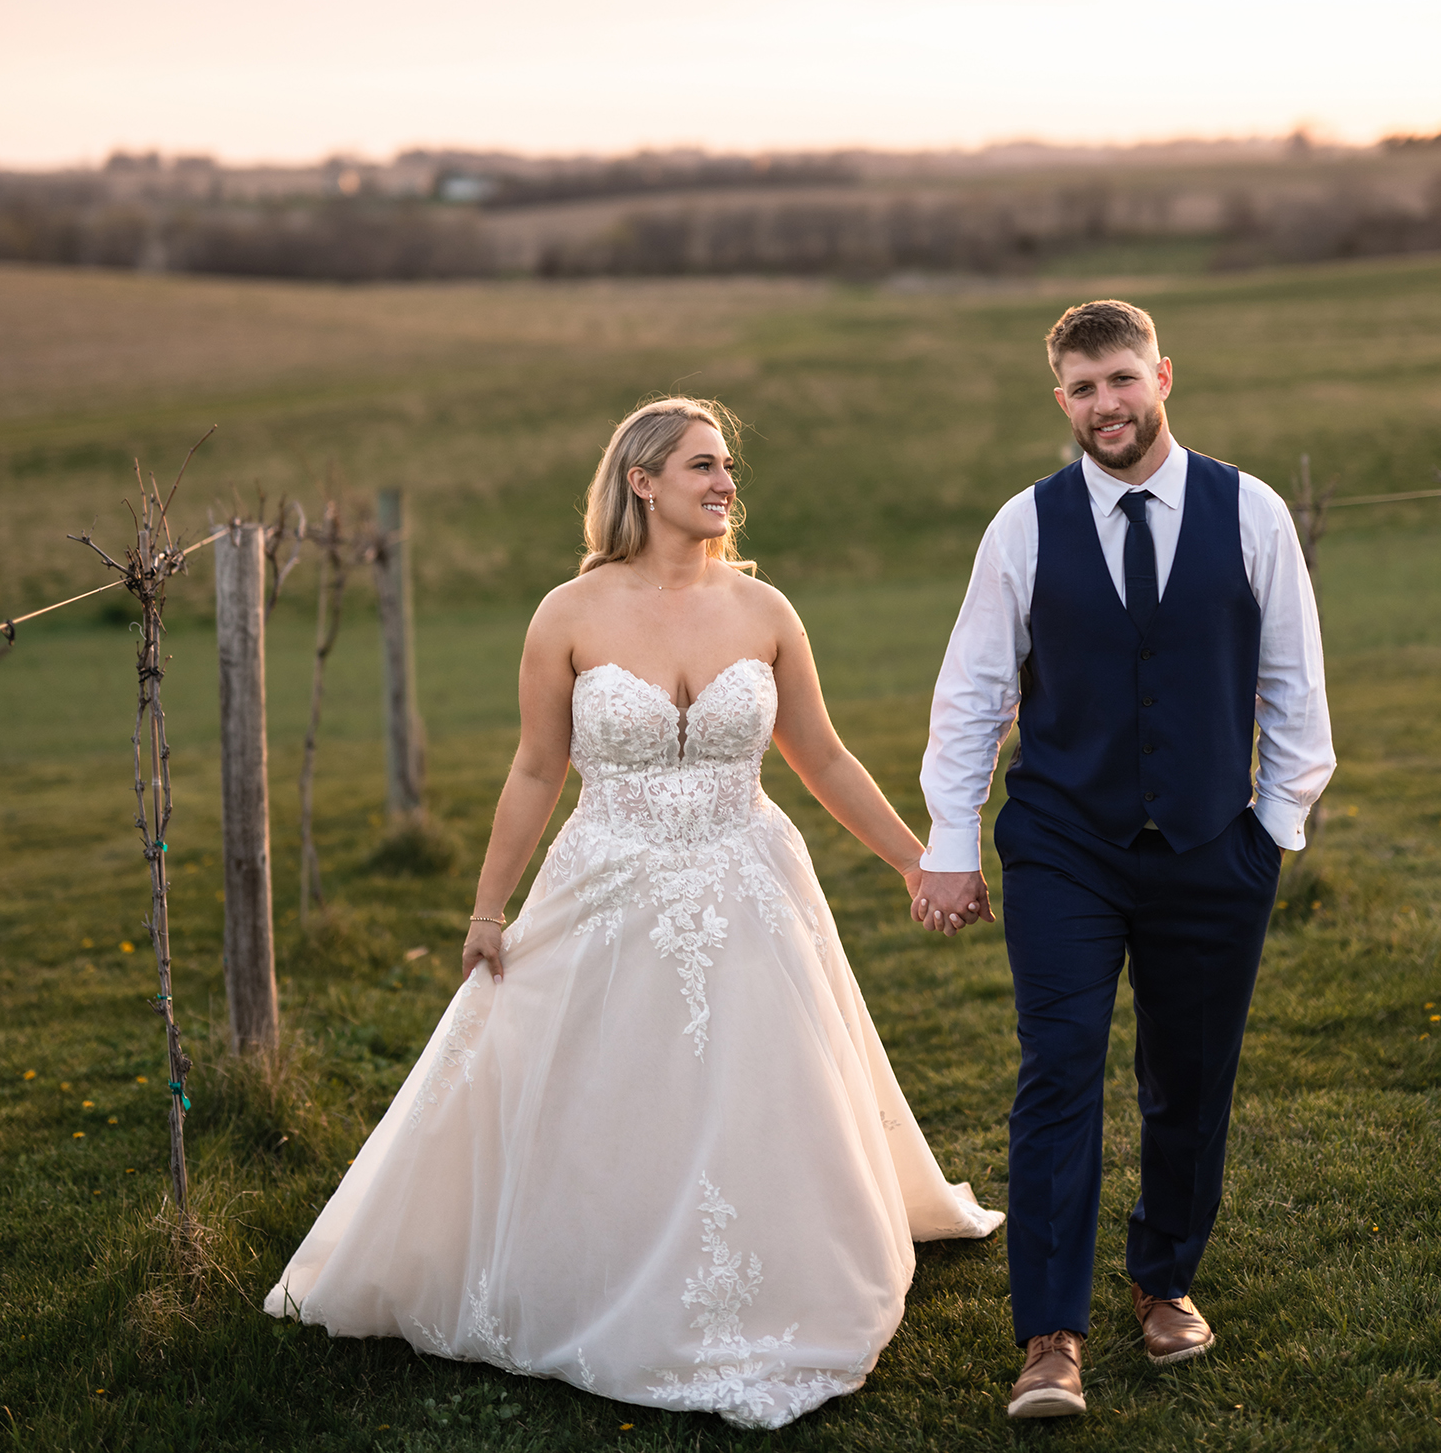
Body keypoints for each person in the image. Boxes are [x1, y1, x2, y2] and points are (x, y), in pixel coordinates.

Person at [266, 396, 999, 1429]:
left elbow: (822, 757)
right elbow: (534, 769)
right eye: (703, 465)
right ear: (642, 482)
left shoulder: (766, 611)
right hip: (607, 888)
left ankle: (777, 1267)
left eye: (728, 466)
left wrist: (918, 864)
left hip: (748, 882)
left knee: (760, 1090)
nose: (725, 482)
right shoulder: (567, 614)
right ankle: (595, 1267)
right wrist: (487, 909)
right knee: (605, 1091)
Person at [911, 300, 1335, 1421]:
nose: (1108, 404)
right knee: (1060, 1070)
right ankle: (1050, 1335)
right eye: (1085, 388)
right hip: (1064, 846)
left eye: (1123, 379)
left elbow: (1293, 682)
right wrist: (952, 843)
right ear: (1063, 402)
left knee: (1189, 1080)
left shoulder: (1250, 512)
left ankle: (1163, 1281)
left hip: (1213, 846)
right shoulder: (1024, 526)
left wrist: (1271, 831)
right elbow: (970, 696)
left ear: (1164, 378)